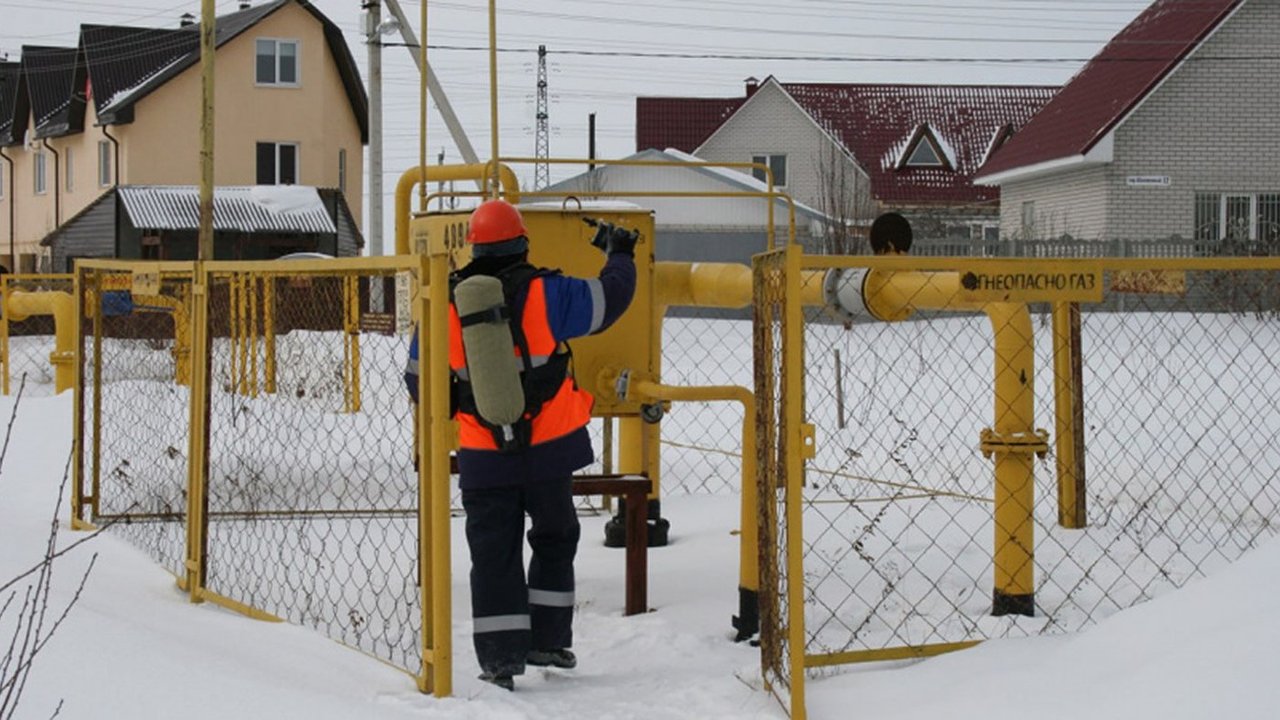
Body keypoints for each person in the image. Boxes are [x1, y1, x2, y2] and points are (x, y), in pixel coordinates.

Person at [404, 198, 637, 691]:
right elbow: (608, 301)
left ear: (472, 247)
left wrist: (471, 408)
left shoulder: (444, 302)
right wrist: (621, 255)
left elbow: (417, 379)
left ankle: (499, 661)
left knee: (493, 554)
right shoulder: (546, 293)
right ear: (522, 242)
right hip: (549, 451)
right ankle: (549, 640)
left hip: (483, 457)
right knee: (555, 537)